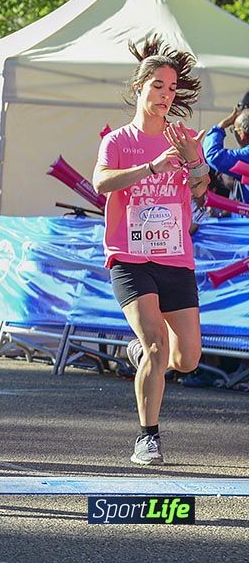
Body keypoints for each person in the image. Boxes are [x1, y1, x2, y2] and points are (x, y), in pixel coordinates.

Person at [91, 35, 208, 467]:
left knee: (187, 358)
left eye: (172, 88)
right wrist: (151, 167)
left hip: (175, 258)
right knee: (159, 344)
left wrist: (195, 162)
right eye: (158, 85)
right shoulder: (118, 140)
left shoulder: (182, 138)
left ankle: (140, 353)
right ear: (140, 86)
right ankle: (148, 438)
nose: (166, 94)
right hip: (129, 256)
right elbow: (101, 182)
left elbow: (200, 192)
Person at [203, 105, 249, 204]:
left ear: (242, 135)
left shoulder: (246, 156)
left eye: (234, 130)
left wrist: (221, 126)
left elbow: (213, 155)